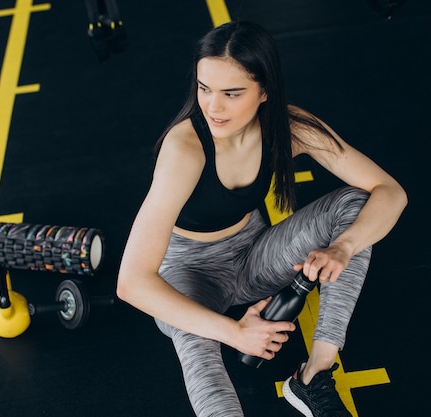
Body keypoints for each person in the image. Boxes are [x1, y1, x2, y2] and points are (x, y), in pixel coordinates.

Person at [117, 21, 407, 417]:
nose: (213, 107)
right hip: (188, 272)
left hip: (253, 255)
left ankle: (314, 374)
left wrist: (344, 246)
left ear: (264, 90)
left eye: (231, 94)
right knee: (196, 344)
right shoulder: (184, 149)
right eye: (205, 89)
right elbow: (132, 282)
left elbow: (390, 192)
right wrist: (234, 333)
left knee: (356, 207)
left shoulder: (288, 127)